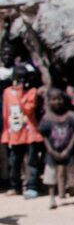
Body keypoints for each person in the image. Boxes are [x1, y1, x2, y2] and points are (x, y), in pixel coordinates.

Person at [3, 63, 44, 198]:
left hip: (29, 132)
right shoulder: (8, 92)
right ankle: (15, 186)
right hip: (14, 132)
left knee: (32, 160)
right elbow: (5, 112)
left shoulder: (31, 92)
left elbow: (28, 109)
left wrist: (21, 92)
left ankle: (32, 185)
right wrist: (5, 132)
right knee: (14, 161)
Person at [37, 87, 74, 209]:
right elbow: (44, 135)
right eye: (54, 99)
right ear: (49, 101)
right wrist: (51, 150)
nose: (57, 102)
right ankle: (52, 198)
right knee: (51, 176)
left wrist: (68, 149)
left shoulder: (71, 116)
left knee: (73, 176)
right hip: (52, 152)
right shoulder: (47, 118)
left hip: (68, 151)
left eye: (60, 99)